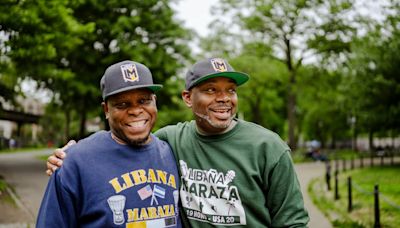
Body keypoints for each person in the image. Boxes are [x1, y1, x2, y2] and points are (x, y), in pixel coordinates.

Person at [47, 57, 309, 227]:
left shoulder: (268, 147)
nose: (223, 98)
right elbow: (124, 140)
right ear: (187, 98)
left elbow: (293, 222)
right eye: (210, 90)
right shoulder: (171, 140)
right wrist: (71, 155)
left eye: (230, 90)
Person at [37, 60, 181, 228]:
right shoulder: (76, 161)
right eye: (122, 104)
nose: (135, 110)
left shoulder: (174, 152)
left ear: (154, 101)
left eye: (143, 101)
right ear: (106, 110)